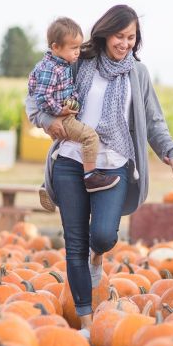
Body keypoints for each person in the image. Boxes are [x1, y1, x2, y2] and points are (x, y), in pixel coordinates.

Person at [26, 5, 173, 339]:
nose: (125, 43)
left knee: (103, 236)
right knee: (74, 243)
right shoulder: (78, 60)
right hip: (70, 159)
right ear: (105, 32)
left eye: (131, 37)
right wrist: (49, 121)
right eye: (119, 36)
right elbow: (35, 98)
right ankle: (85, 321)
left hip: (115, 163)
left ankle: (100, 256)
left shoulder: (137, 74)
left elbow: (154, 121)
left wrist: (170, 152)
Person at [29, 17, 120, 213]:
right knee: (89, 137)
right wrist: (59, 112)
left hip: (66, 112)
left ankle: (48, 184)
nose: (77, 52)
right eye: (73, 48)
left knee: (61, 147)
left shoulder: (62, 64)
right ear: (55, 47)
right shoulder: (49, 69)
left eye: (79, 47)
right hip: (62, 116)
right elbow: (41, 97)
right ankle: (90, 177)